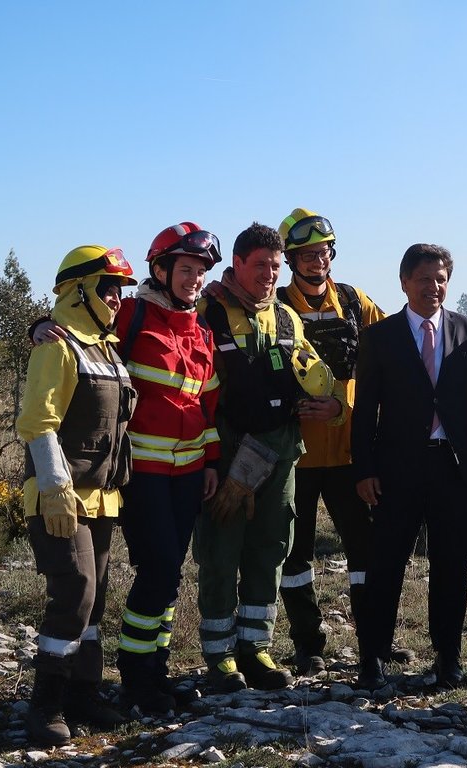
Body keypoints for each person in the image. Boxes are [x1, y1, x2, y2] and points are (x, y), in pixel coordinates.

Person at [32, 224, 224, 713]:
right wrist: (36, 325)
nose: (195, 280)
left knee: (172, 575)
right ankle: (136, 676)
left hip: (188, 475)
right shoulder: (133, 313)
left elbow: (206, 403)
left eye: (201, 272)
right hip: (141, 476)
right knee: (157, 569)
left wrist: (211, 461)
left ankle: (155, 673)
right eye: (186, 269)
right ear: (160, 270)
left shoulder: (199, 329)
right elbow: (78, 330)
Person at [193, 222, 342, 692]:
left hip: (279, 455)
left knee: (271, 550)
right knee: (221, 552)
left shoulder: (285, 318)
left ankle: (255, 648)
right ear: (236, 263)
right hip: (226, 455)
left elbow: (315, 374)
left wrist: (334, 404)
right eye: (260, 265)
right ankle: (219, 655)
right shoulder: (206, 312)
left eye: (276, 266)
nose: (269, 274)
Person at [351, 243, 467, 690]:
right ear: (404, 282)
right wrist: (363, 469)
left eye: (440, 279)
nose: (433, 287)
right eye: (423, 278)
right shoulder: (380, 337)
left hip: (453, 467)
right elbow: (365, 412)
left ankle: (448, 656)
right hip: (396, 469)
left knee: (452, 565)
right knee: (386, 565)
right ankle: (373, 656)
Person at [273, 207, 409, 675]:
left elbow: (399, 340)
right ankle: (307, 642)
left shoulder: (354, 300)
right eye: (307, 254)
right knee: (296, 556)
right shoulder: (273, 308)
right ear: (291, 259)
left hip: (353, 451)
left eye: (324, 251)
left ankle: (375, 639)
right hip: (296, 455)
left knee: (365, 552)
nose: (318, 261)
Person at [18, 245, 138, 745]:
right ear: (78, 289)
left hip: (102, 498)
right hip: (60, 496)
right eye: (108, 287)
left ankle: (84, 696)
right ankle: (45, 704)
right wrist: (55, 488)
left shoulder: (105, 347)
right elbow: (37, 422)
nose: (116, 298)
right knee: (75, 593)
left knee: (95, 601)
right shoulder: (58, 345)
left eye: (119, 289)